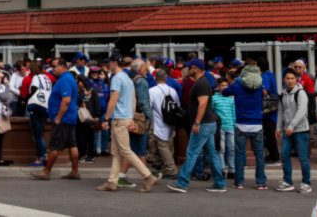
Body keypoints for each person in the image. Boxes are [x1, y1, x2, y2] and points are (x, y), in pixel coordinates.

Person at [96, 57, 157, 192]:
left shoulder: (117, 78)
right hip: (125, 118)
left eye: (109, 63)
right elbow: (134, 99)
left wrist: (106, 119)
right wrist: (130, 117)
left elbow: (113, 99)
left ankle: (148, 176)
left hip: (118, 119)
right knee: (117, 152)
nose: (108, 66)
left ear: (113, 63)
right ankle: (112, 181)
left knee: (125, 151)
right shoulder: (128, 78)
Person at [166, 59, 225, 194]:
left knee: (192, 152)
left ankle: (182, 183)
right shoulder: (202, 82)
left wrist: (197, 122)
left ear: (197, 68)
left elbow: (202, 104)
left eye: (191, 67)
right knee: (212, 154)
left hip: (203, 124)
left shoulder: (201, 83)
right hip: (208, 123)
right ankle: (220, 183)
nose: (189, 69)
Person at [32, 58, 80, 180]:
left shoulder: (65, 80)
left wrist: (58, 117)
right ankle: (74, 171)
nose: (52, 69)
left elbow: (66, 100)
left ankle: (46, 171)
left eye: (54, 66)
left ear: (62, 66)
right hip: (69, 118)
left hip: (63, 119)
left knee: (54, 146)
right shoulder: (68, 78)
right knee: (72, 144)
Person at [228, 60, 266, 190]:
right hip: (257, 124)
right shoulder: (260, 85)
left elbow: (225, 92)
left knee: (239, 154)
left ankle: (239, 182)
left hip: (241, 124)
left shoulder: (237, 85)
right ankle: (260, 182)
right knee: (259, 155)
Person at [275, 69, 312, 193]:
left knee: (303, 157)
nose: (290, 80)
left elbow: (301, 111)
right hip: (287, 131)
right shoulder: (283, 94)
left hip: (301, 130)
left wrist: (291, 126)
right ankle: (287, 181)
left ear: (296, 80)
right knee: (284, 155)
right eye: (287, 78)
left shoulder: (301, 93)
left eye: (292, 78)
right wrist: (278, 127)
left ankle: (306, 183)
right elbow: (280, 112)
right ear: (284, 80)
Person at [147, 67, 179, 177]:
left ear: (155, 78)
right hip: (171, 122)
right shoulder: (172, 90)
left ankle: (171, 169)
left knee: (162, 146)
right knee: (169, 145)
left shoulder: (151, 91)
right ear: (166, 77)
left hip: (158, 122)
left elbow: (149, 107)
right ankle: (163, 166)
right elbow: (177, 106)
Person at [23, 60, 51, 165]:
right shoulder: (47, 78)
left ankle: (43, 157)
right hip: (45, 107)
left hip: (36, 107)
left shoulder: (36, 77)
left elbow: (34, 90)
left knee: (38, 135)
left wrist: (25, 99)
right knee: (40, 134)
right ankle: (39, 158)